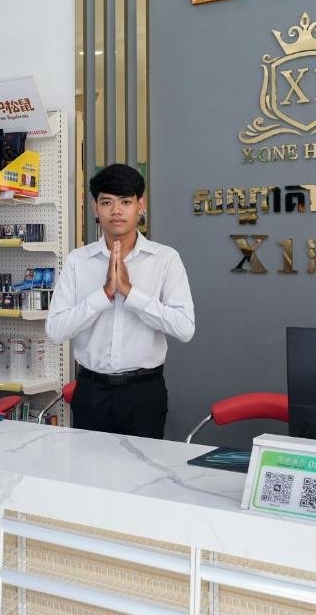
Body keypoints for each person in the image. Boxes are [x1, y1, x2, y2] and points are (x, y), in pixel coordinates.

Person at [46, 164, 195, 438]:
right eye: (107, 202)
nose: (116, 211)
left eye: (125, 202)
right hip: (91, 390)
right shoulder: (78, 261)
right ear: (95, 208)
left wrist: (130, 293)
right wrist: (103, 295)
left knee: (143, 465)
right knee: (88, 464)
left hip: (144, 393)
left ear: (140, 206)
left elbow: (185, 328)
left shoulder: (165, 259)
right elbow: (55, 330)